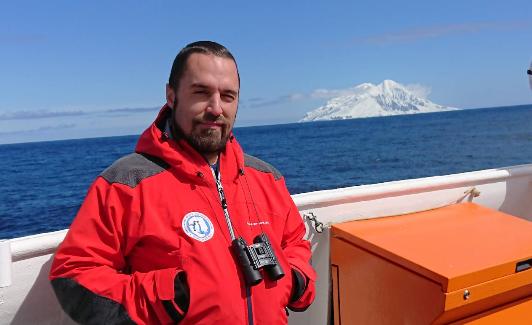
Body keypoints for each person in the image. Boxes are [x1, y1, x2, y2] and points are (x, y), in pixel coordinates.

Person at [49, 41, 316, 325]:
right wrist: (171, 296)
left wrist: (295, 280)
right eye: (201, 93)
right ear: (171, 95)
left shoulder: (266, 178)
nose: (216, 108)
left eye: (228, 96)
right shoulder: (127, 184)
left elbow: (295, 243)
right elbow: (74, 274)